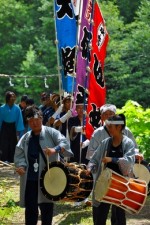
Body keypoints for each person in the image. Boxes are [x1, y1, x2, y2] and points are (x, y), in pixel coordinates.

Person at [14, 105, 73, 225]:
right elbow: (19, 155)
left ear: (41, 118)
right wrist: (21, 166)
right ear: (28, 122)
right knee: (30, 210)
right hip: (30, 178)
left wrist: (54, 149)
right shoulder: (25, 138)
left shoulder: (51, 132)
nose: (34, 123)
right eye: (31, 121)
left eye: (37, 120)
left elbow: (64, 143)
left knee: (46, 210)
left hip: (48, 178)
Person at [87, 114, 135, 225]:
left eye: (111, 127)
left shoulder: (128, 143)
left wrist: (112, 159)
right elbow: (94, 159)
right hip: (105, 184)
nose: (108, 129)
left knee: (119, 217)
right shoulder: (106, 142)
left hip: (121, 185)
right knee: (100, 216)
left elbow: (128, 164)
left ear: (119, 127)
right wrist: (89, 168)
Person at [0, 91, 24, 163]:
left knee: (12, 144)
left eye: (14, 96)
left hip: (13, 128)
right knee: (4, 144)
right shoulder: (1, 108)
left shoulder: (17, 108)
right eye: (11, 96)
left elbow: (19, 120)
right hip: (4, 128)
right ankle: (3, 160)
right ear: (8, 98)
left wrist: (18, 131)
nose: (13, 97)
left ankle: (12, 160)